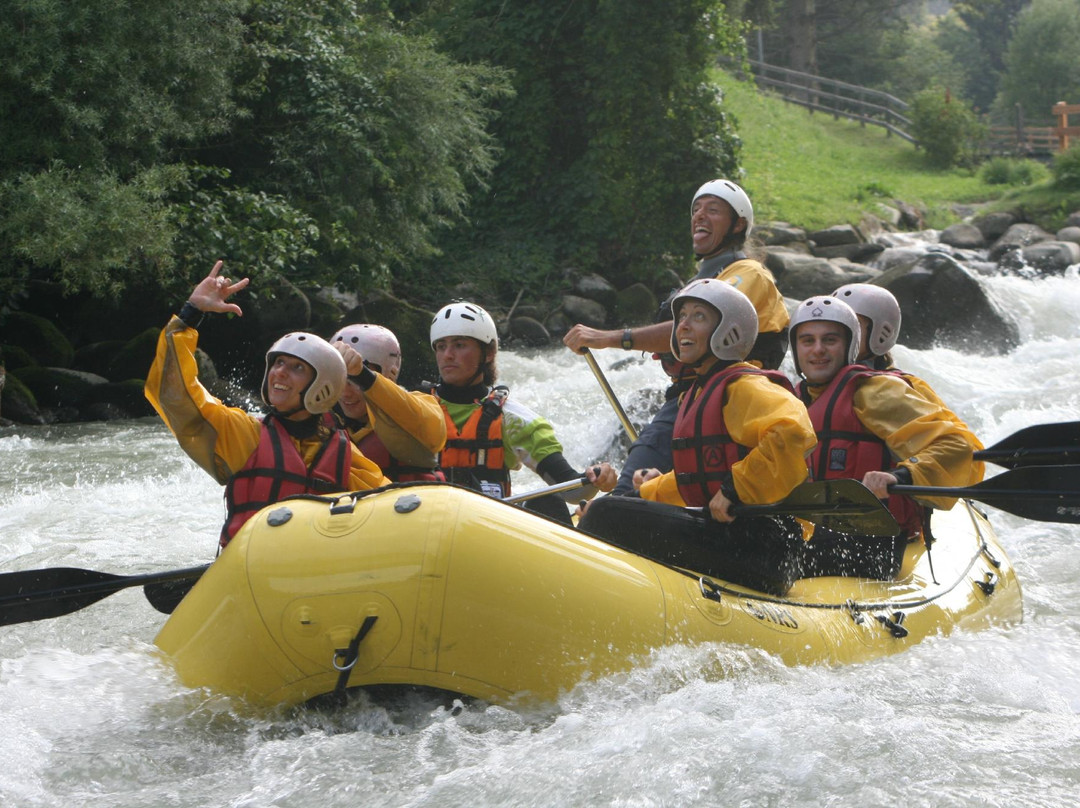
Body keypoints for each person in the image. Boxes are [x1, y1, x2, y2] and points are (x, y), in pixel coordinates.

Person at [563, 179, 789, 495]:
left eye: (713, 210)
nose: (700, 216)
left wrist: (611, 338)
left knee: (630, 492)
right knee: (644, 487)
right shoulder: (706, 280)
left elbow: (699, 329)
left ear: (738, 225)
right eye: (696, 210)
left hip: (728, 401)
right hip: (693, 398)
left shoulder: (748, 273)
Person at [145, 261, 388, 548]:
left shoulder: (346, 455)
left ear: (323, 385)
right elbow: (176, 394)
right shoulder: (242, 433)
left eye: (297, 368)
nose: (279, 373)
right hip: (250, 569)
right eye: (278, 363)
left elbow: (386, 505)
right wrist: (191, 314)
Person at [790, 296, 983, 539]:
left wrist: (899, 475)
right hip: (811, 533)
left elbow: (959, 445)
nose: (818, 349)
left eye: (830, 339)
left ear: (850, 344)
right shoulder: (792, 398)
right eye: (808, 341)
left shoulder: (876, 391)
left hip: (877, 537)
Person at [633, 278, 816, 522]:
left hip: (763, 533)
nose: (683, 326)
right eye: (683, 316)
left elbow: (793, 432)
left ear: (729, 331)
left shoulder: (744, 386)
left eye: (698, 317)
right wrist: (645, 494)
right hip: (722, 530)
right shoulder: (697, 393)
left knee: (609, 513)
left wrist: (734, 489)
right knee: (619, 507)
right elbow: (701, 476)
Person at [429, 301, 616, 518]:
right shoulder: (413, 408)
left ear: (488, 353)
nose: (447, 355)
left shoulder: (512, 419)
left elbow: (572, 490)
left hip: (484, 527)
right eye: (441, 346)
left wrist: (597, 477)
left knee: (547, 502)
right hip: (425, 521)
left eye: (459, 345)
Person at [831, 282, 985, 486]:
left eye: (852, 326)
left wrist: (903, 475)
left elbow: (960, 447)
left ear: (881, 333)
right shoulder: (812, 391)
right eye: (834, 327)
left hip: (883, 513)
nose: (840, 335)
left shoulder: (883, 391)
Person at [330, 323, 446, 482]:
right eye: (340, 380)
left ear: (390, 373)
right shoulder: (325, 423)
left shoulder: (421, 405)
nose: (345, 393)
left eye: (354, 381)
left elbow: (433, 431)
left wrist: (363, 376)